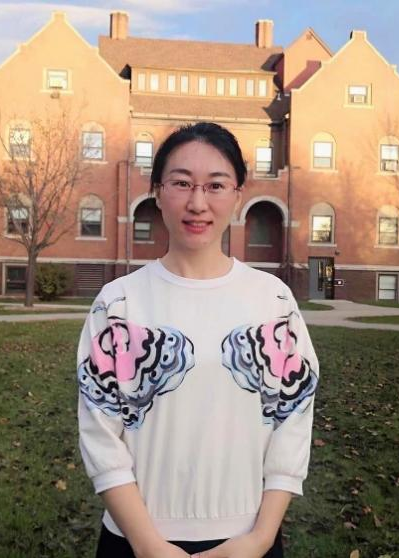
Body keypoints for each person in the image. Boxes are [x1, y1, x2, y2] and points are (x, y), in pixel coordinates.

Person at [76, 122, 320, 558]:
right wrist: (148, 545)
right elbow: (100, 431)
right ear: (158, 192)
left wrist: (260, 538)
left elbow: (294, 418)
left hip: (247, 540)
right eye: (182, 183)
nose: (197, 203)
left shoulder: (273, 300)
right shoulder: (118, 303)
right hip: (134, 539)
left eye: (216, 185)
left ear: (238, 195)